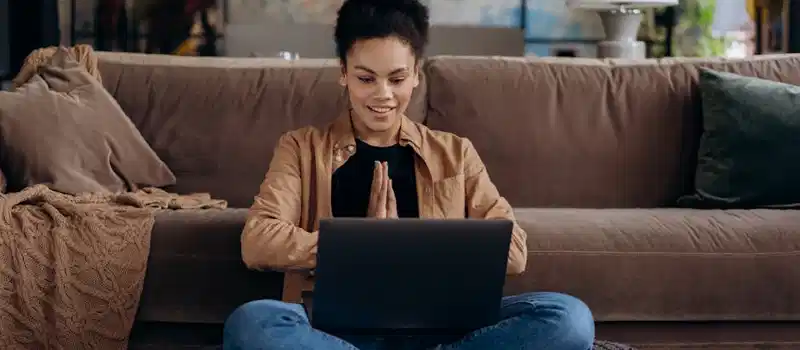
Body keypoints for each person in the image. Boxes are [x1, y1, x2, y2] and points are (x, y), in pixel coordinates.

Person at [223, 0, 595, 349]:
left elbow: (514, 252)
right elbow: (258, 241)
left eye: (397, 79)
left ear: (416, 75)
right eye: (366, 79)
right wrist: (361, 248)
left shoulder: (454, 152)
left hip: (441, 325)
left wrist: (404, 247)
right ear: (343, 75)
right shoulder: (300, 147)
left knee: (569, 319)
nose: (383, 95)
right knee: (252, 323)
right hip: (334, 331)